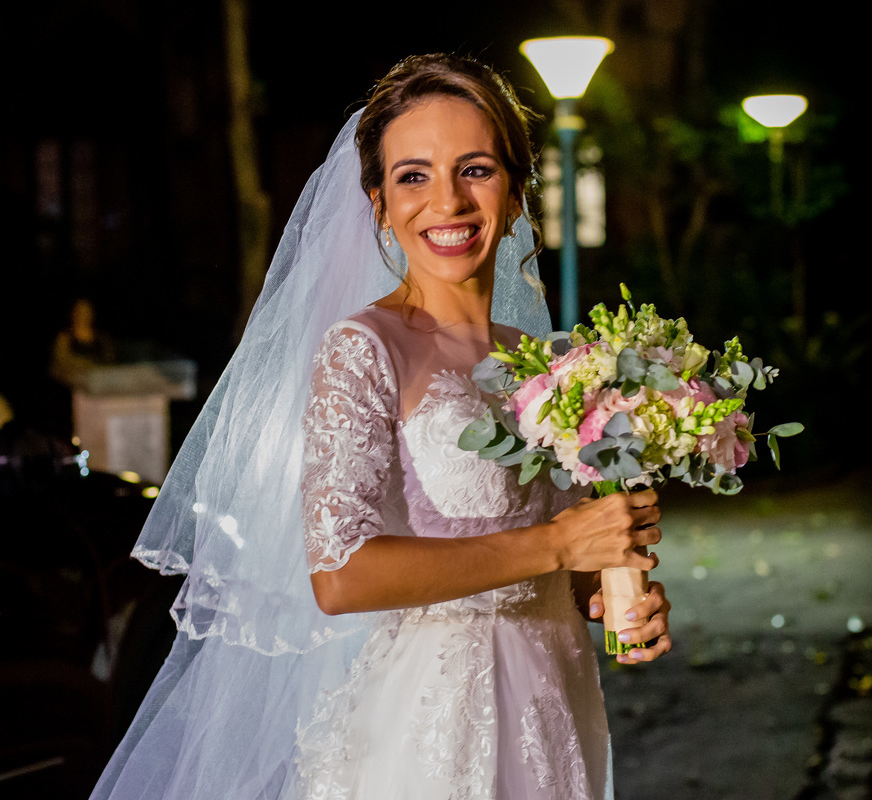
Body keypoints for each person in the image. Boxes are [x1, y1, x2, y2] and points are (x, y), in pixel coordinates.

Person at [91, 54, 671, 800]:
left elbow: (548, 547)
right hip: (436, 726)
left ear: (519, 188)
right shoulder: (365, 349)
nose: (449, 202)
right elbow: (341, 576)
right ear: (379, 205)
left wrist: (605, 584)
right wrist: (557, 543)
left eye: (476, 169)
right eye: (413, 176)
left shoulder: (549, 363)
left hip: (556, 701)